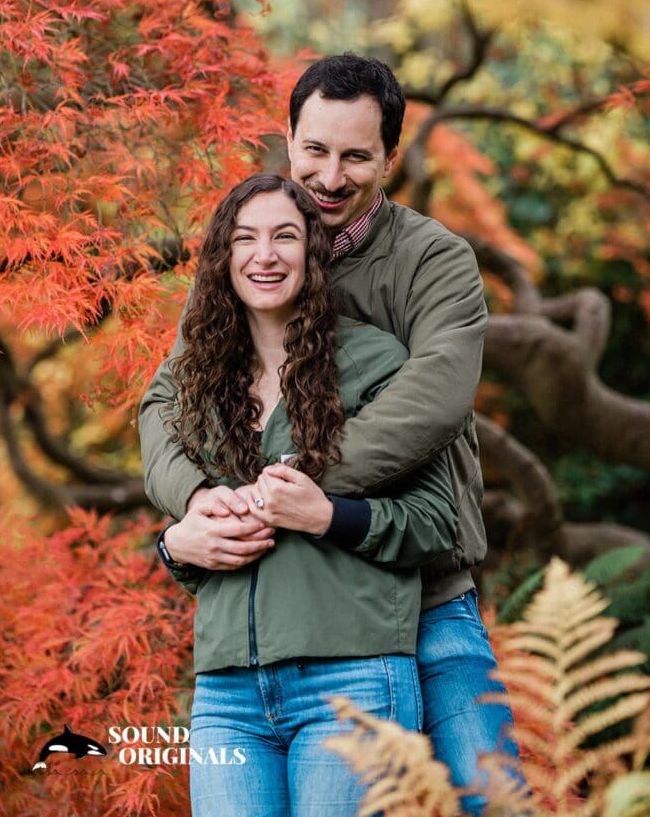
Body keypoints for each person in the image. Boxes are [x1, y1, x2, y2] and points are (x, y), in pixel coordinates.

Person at [141, 54, 520, 816]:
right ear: (289, 141)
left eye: (355, 156)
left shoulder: (431, 260)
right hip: (281, 606)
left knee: (491, 798)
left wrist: (295, 490)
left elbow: (434, 399)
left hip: (424, 588)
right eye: (315, 150)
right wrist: (203, 503)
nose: (331, 175)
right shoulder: (249, 254)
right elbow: (163, 403)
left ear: (389, 158)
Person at [153, 172, 460, 817]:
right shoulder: (202, 381)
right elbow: (205, 540)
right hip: (226, 693)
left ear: (314, 254)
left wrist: (329, 515)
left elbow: (437, 524)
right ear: (224, 257)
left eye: (285, 237)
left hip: (352, 679)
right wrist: (177, 545)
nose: (264, 255)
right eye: (245, 238)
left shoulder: (376, 362)